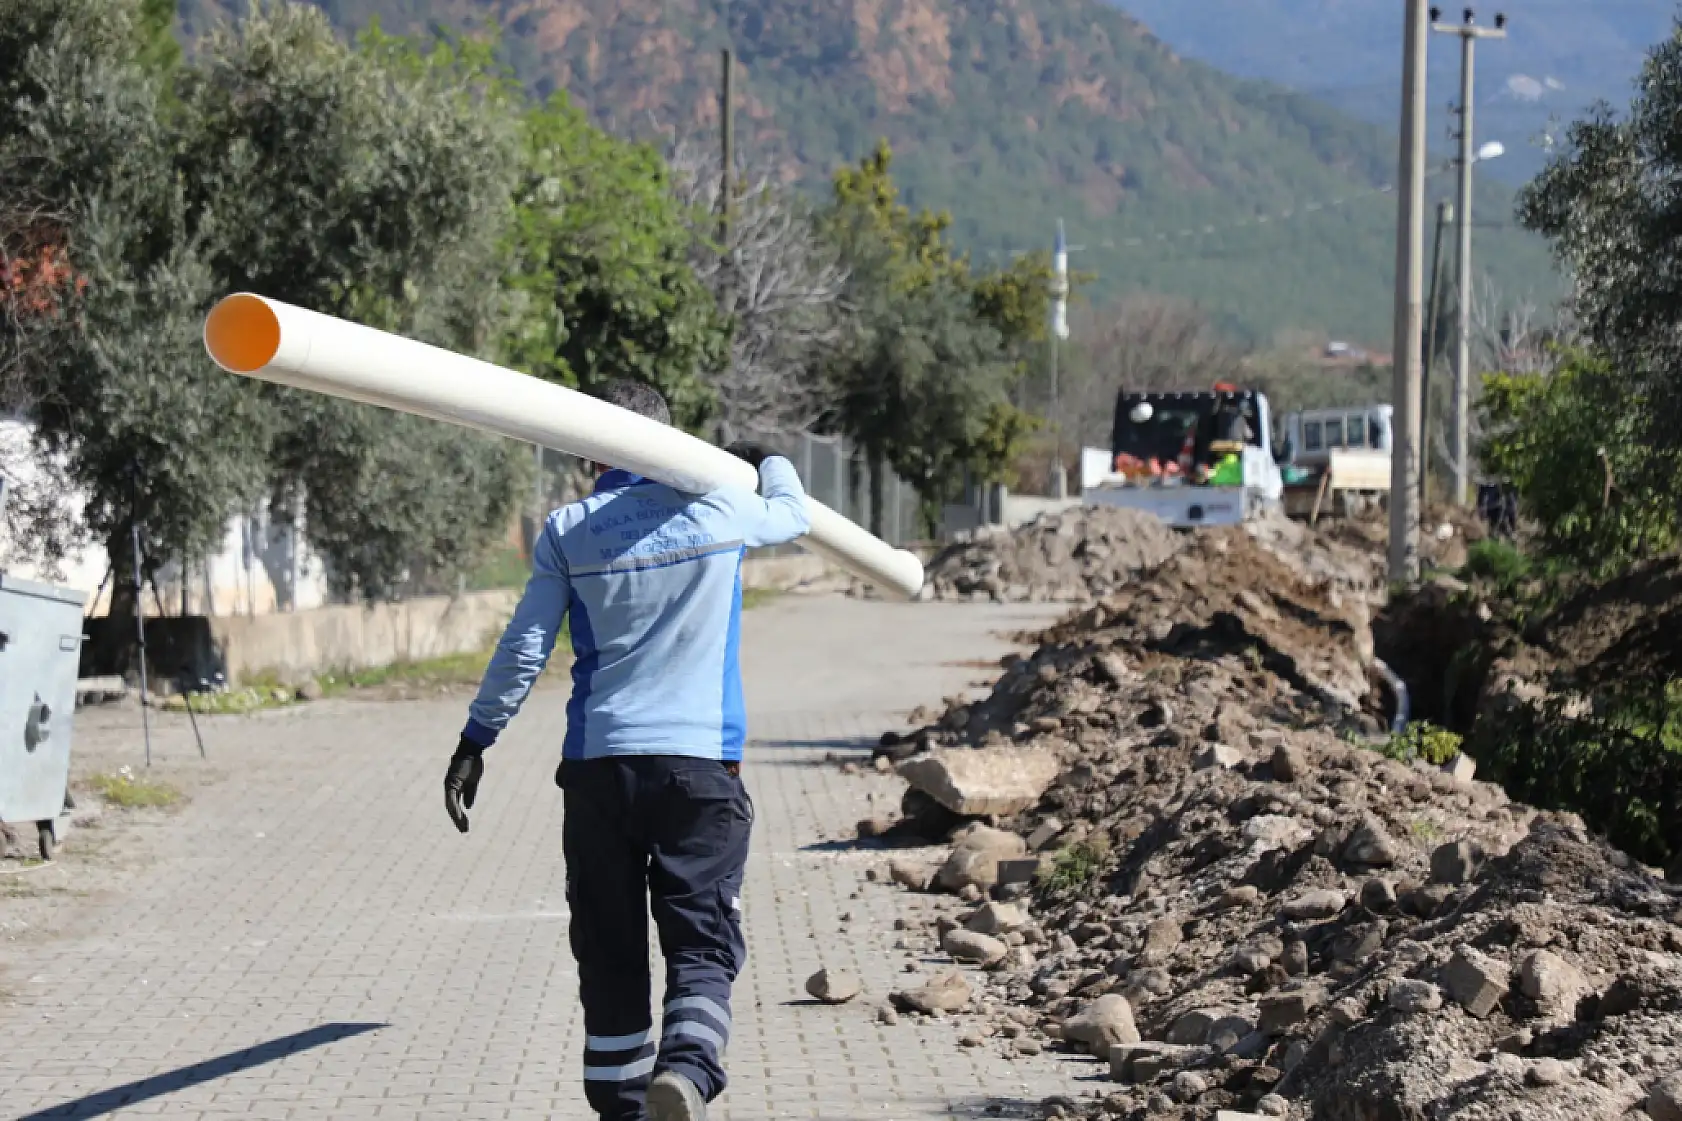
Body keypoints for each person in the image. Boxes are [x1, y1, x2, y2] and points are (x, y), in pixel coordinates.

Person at [442, 380, 811, 1121]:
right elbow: (793, 513)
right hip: (698, 770)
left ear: (589, 446)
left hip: (600, 773)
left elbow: (524, 648)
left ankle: (620, 1105)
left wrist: (476, 738)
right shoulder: (719, 506)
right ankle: (685, 1069)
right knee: (701, 937)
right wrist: (765, 459)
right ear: (670, 438)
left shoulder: (569, 529)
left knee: (608, 948)